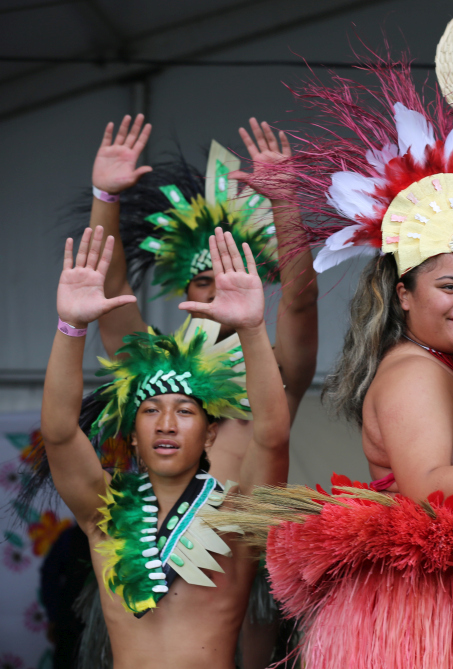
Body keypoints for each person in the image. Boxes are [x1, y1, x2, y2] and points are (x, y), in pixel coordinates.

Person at [212, 61, 453, 668]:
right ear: (403, 293)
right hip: (436, 615)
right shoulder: (413, 371)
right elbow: (427, 487)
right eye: (448, 286)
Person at [40, 225, 290, 669]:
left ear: (211, 433)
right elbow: (59, 433)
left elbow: (272, 436)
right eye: (151, 411)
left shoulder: (238, 513)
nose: (167, 424)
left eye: (186, 411)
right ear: (133, 435)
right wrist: (71, 326)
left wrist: (252, 329)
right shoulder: (104, 513)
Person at [86, 114, 318, 485]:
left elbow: (302, 298)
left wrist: (285, 202)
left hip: (248, 540)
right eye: (204, 280)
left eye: (233, 280)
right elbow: (111, 288)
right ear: (186, 292)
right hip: (158, 539)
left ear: (254, 289)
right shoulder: (152, 364)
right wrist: (105, 196)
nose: (217, 289)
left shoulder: (280, 370)